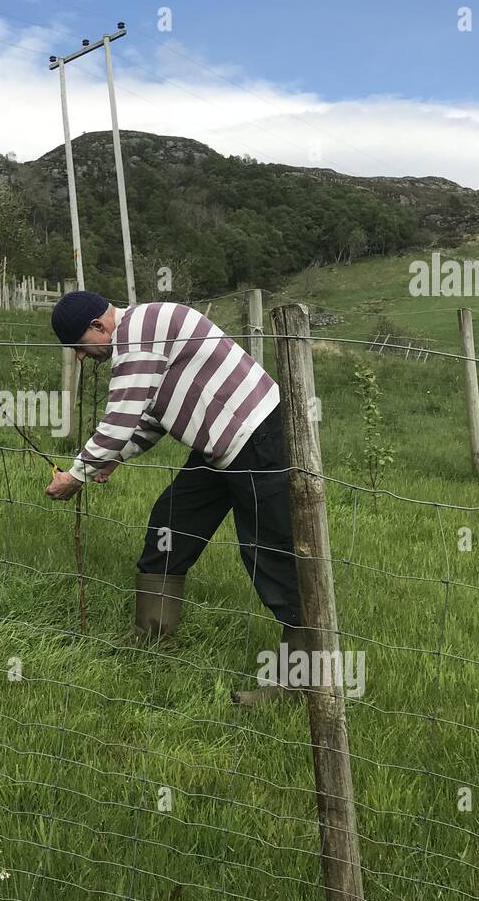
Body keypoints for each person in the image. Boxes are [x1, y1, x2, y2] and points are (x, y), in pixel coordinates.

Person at [46, 290, 305, 706]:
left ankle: (301, 686)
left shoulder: (138, 334)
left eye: (79, 347)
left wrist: (77, 475)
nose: (80, 357)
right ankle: (151, 639)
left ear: (98, 326)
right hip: (220, 445)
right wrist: (116, 458)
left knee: (271, 553)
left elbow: (119, 420)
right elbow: (151, 417)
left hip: (257, 437)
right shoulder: (140, 335)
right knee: (172, 522)